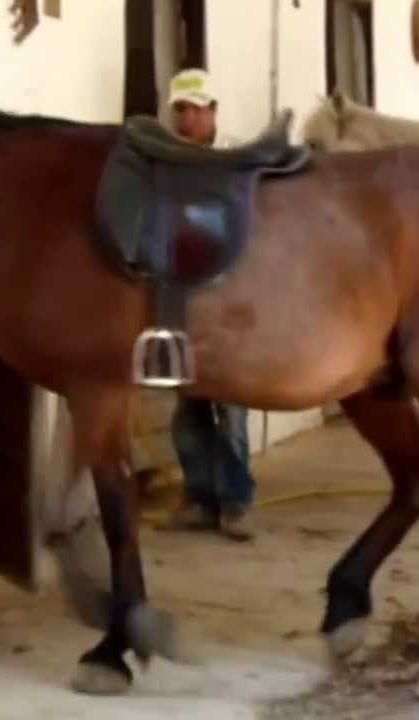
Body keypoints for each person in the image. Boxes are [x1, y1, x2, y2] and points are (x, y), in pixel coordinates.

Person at [158, 68, 257, 542]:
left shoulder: (237, 158)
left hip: (231, 300)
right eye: (181, 109)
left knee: (231, 408)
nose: (187, 118)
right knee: (188, 410)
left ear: (213, 111)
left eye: (196, 109)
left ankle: (236, 502)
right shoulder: (165, 162)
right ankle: (199, 498)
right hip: (183, 300)